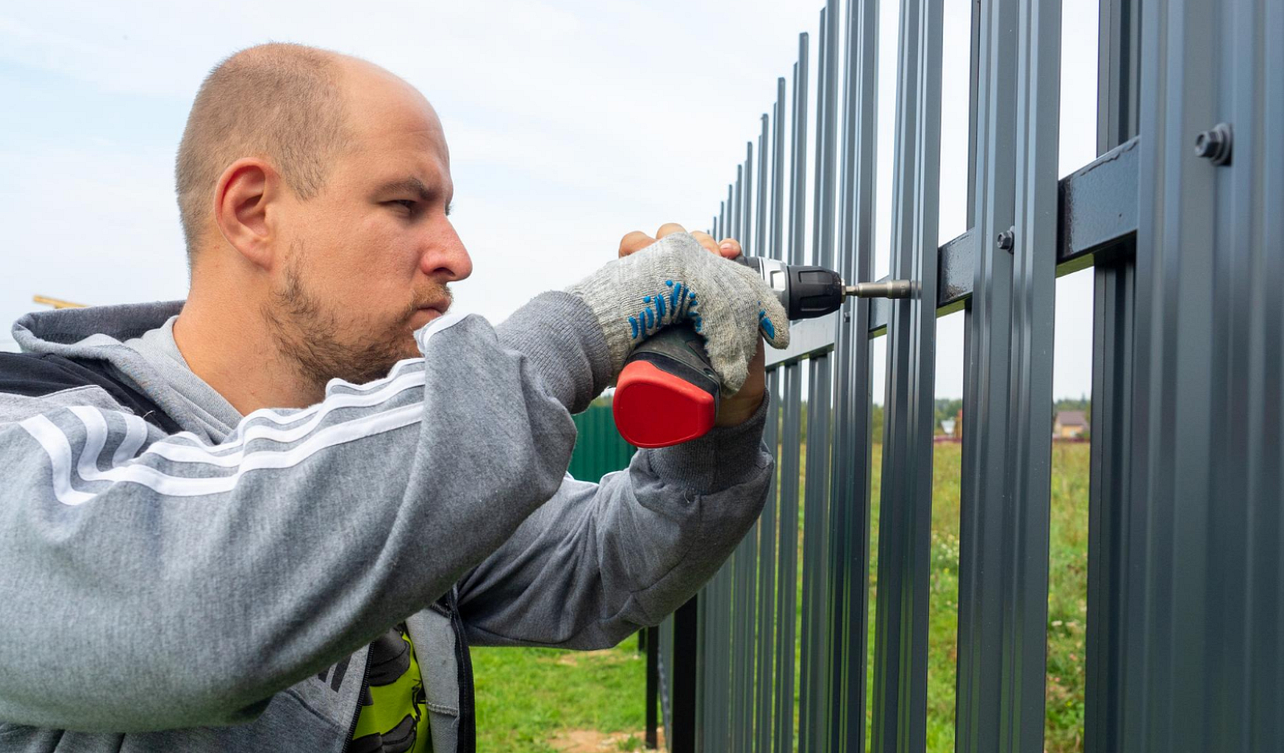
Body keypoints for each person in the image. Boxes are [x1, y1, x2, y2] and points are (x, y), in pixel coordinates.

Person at [0, 43, 789, 752]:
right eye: (405, 206)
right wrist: (589, 328)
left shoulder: (396, 465)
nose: (456, 254)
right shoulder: (34, 452)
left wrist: (712, 434)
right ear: (253, 213)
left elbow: (603, 563)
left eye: (448, 211)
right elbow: (187, 613)